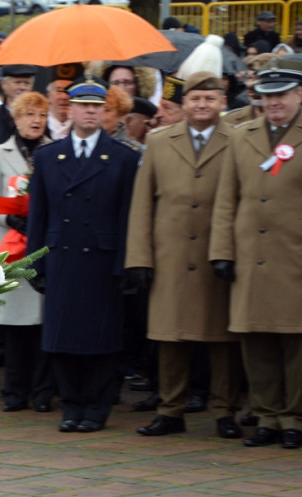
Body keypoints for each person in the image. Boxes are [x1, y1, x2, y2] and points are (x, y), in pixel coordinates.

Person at [126, 71, 243, 439]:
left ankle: (224, 412)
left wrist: (231, 253)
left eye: (210, 98)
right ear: (184, 104)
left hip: (218, 254)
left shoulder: (239, 140)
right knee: (169, 336)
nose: (202, 105)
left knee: (222, 339)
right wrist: (139, 258)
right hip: (170, 255)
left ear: (223, 103)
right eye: (195, 99)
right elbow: (142, 204)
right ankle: (170, 410)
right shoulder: (159, 142)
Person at [26, 75, 141, 433]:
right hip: (62, 256)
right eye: (83, 106)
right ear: (70, 109)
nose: (90, 112)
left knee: (101, 339)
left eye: (96, 106)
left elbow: (127, 218)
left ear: (104, 110)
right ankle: (71, 406)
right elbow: (38, 216)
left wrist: (127, 263)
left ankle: (96, 407)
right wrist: (36, 263)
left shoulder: (123, 158)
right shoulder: (48, 156)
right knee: (61, 337)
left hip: (103, 259)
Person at [210, 64, 302, 450]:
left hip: (293, 257)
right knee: (257, 340)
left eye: (282, 94)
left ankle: (293, 418)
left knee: (296, 344)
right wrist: (222, 251)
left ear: (299, 95)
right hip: (250, 257)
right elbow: (226, 199)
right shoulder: (241, 136)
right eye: (267, 95)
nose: (274, 102)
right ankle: (266, 416)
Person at [0, 91, 55, 413]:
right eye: (29, 114)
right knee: (12, 328)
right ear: (16, 119)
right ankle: (14, 391)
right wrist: (7, 216)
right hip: (10, 247)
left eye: (41, 114)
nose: (35, 120)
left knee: (42, 324)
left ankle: (41, 393)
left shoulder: (56, 151)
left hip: (42, 247)